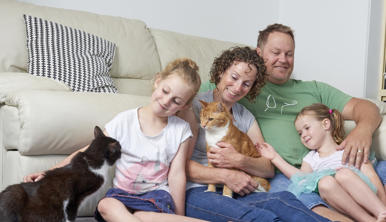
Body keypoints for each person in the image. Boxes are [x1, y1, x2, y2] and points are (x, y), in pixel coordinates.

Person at [201, 23, 383, 221]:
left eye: (289, 54)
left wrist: (363, 130)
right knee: (294, 203)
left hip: (333, 161)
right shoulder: (244, 87)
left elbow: (368, 108)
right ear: (259, 54)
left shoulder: (314, 89)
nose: (283, 59)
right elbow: (201, 94)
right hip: (287, 174)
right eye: (276, 52)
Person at [24, 58, 206, 222]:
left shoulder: (181, 131)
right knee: (106, 205)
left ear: (185, 105)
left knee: (143, 216)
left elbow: (177, 175)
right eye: (165, 91)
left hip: (156, 197)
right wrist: (49, 172)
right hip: (121, 197)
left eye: (176, 101)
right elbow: (87, 154)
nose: (166, 101)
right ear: (157, 81)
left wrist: (177, 216)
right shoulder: (124, 121)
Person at [182, 46, 330, 222]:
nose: (238, 88)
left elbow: (267, 168)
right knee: (261, 218)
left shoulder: (245, 117)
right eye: (234, 77)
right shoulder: (196, 107)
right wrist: (226, 175)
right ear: (221, 72)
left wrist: (239, 160)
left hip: (239, 189)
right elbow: (179, 165)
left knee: (283, 200)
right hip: (201, 190)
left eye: (246, 84)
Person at [258, 103, 386, 222]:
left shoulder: (347, 149)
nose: (303, 135)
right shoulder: (310, 158)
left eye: (307, 128)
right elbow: (300, 177)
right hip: (342, 203)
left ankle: (382, 212)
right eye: (300, 133)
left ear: (325, 124)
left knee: (343, 174)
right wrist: (274, 157)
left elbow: (369, 172)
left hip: (364, 195)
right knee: (325, 182)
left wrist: (382, 200)